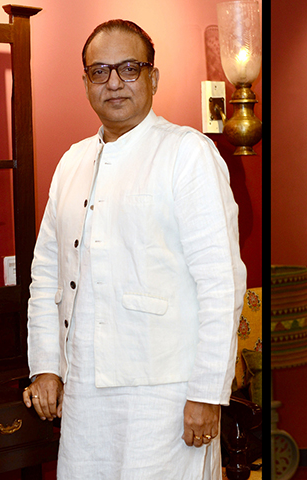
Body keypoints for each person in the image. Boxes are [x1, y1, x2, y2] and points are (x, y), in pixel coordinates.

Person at [22, 19, 246, 478]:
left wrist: (206, 393)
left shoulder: (188, 153)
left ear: (153, 78)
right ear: (85, 82)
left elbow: (221, 284)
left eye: (129, 68)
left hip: (166, 390)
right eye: (100, 71)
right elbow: (46, 273)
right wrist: (46, 365)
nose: (114, 83)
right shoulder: (71, 163)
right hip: (84, 388)